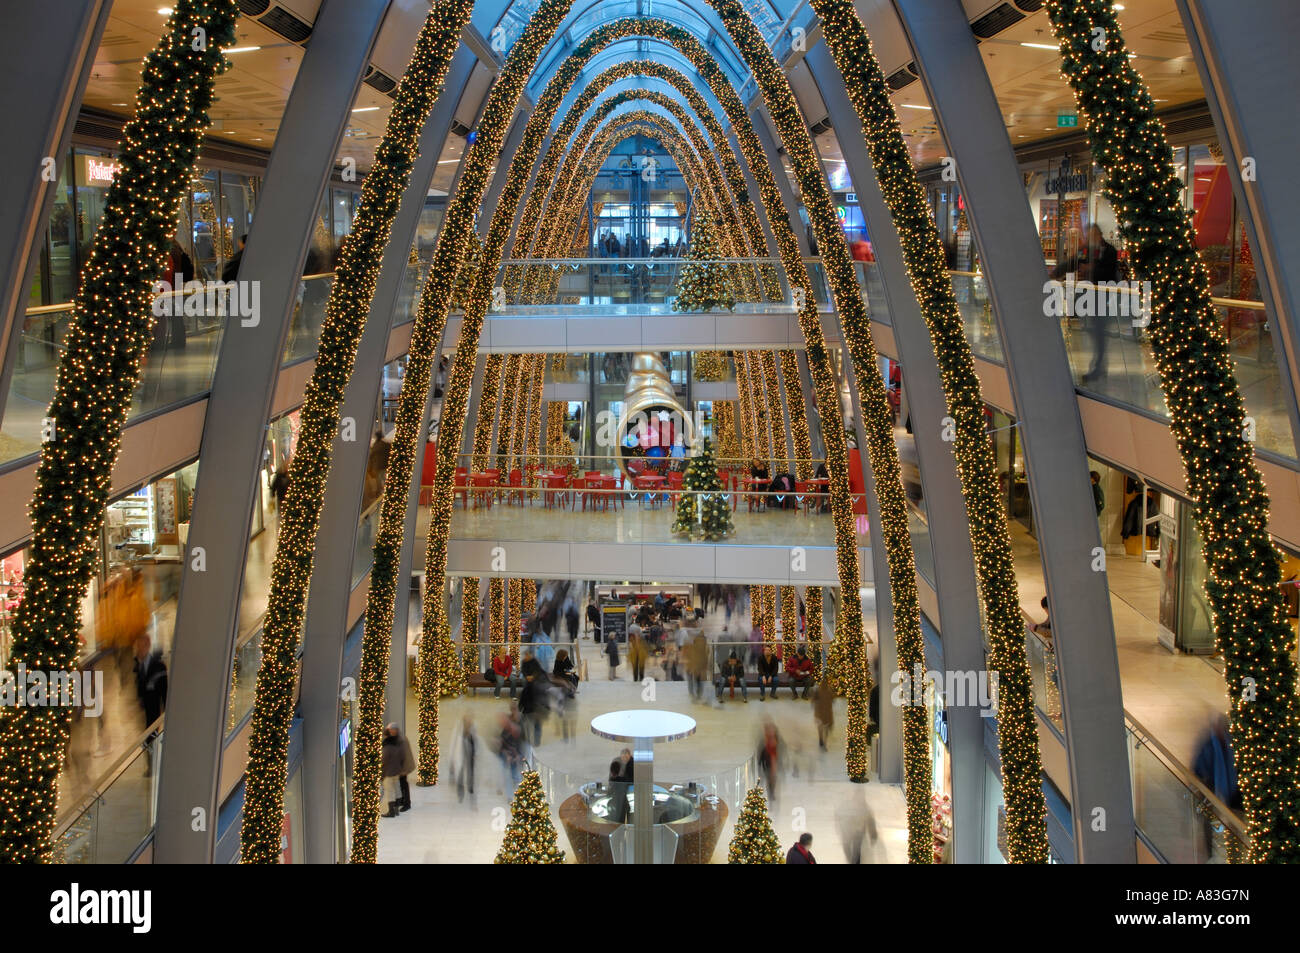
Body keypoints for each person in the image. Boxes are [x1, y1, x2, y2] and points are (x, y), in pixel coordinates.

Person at [1193, 712, 1241, 858]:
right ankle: (1209, 854)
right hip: (1212, 787)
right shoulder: (1209, 744)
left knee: (1235, 824)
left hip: (1232, 789)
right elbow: (1199, 766)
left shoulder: (1231, 742)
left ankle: (1235, 855)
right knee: (1209, 819)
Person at [133, 635, 167, 776]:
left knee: (150, 738)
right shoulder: (138, 665)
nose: (138, 650)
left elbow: (164, 690)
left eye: (141, 646)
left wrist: (166, 710)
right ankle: (151, 765)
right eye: (137, 647)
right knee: (147, 739)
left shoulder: (158, 666)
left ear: (147, 646)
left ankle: (153, 766)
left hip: (154, 711)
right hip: (144, 710)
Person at [381, 723, 416, 816]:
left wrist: (403, 769)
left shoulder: (398, 741)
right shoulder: (398, 739)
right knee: (398, 787)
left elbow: (404, 756)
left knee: (400, 786)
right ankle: (399, 804)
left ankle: (405, 804)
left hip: (401, 768)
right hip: (399, 768)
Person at [497, 709, 524, 793]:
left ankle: (520, 788)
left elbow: (516, 745)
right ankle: (505, 789)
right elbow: (504, 743)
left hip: (512, 755)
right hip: (506, 754)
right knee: (506, 772)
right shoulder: (505, 730)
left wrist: (515, 756)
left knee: (513, 773)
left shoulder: (514, 730)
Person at [454, 716, 477, 803]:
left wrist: (475, 753)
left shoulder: (472, 731)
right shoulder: (459, 732)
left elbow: (474, 742)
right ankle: (460, 794)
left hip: (470, 755)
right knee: (460, 774)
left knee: (470, 772)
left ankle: (470, 787)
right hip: (460, 755)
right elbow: (455, 744)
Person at [608, 749, 633, 823]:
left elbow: (632, 779)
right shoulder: (616, 762)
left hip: (625, 790)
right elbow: (612, 777)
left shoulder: (632, 763)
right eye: (623, 756)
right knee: (621, 809)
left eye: (626, 756)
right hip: (619, 792)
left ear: (629, 756)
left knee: (624, 808)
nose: (624, 758)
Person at [812, 675, 834, 750]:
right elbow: (833, 699)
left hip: (819, 712)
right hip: (827, 713)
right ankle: (824, 742)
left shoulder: (818, 690)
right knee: (826, 728)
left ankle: (820, 739)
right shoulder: (830, 690)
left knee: (820, 726)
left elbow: (813, 700)